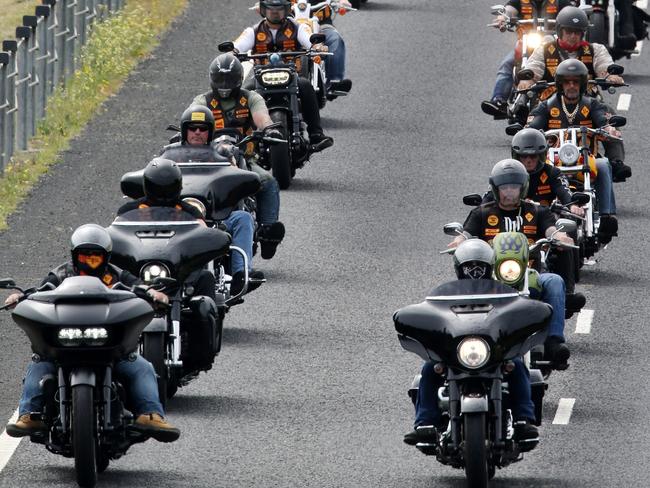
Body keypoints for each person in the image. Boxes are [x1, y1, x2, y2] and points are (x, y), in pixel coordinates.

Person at [4, 224, 180, 442]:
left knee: (141, 366)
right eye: (85, 256)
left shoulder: (117, 275)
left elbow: (139, 287)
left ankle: (151, 414)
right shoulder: (60, 274)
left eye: (95, 257)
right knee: (40, 362)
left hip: (110, 345)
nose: (90, 261)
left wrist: (153, 294)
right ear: (74, 255)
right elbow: (41, 291)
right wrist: (20, 296)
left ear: (106, 257)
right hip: (65, 344)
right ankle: (29, 414)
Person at [404, 239, 540, 447]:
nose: (474, 271)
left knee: (518, 366)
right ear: (459, 268)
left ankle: (524, 421)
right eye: (469, 266)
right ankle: (425, 423)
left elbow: (515, 315)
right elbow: (435, 316)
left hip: (492, 349)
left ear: (490, 267)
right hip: (459, 349)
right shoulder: (446, 294)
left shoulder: (504, 293)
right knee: (430, 368)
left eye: (479, 266)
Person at [449, 159, 572, 364]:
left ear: (522, 187)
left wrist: (561, 238)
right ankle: (465, 337)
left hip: (531, 273)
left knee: (555, 282)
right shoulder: (482, 213)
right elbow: (465, 234)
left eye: (514, 187)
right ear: (496, 189)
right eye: (504, 188)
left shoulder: (537, 211)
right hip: (490, 279)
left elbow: (552, 230)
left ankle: (554, 341)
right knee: (462, 287)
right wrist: (457, 242)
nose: (509, 193)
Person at [518, 6, 631, 181]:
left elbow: (604, 66)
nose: (573, 36)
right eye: (569, 32)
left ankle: (616, 162)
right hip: (550, 102)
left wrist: (611, 75)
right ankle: (523, 168)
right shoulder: (545, 48)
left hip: (587, 102)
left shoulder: (595, 49)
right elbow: (533, 68)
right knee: (528, 132)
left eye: (577, 32)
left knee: (609, 118)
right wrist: (528, 79)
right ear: (559, 31)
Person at [119, 158, 261, 297]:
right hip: (141, 262)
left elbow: (203, 232)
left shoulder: (188, 210)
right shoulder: (129, 210)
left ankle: (210, 317)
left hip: (178, 264)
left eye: (168, 187)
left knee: (206, 279)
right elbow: (117, 233)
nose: (162, 192)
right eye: (157, 187)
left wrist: (215, 237)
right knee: (116, 279)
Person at [190, 57, 286, 259]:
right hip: (207, 160)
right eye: (220, 79)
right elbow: (191, 118)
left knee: (267, 181)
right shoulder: (202, 101)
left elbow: (262, 117)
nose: (224, 85)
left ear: (239, 79)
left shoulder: (251, 98)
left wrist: (268, 128)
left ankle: (268, 233)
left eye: (229, 80)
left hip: (244, 158)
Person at [526, 59, 619, 244]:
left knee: (603, 164)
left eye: (575, 82)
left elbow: (603, 121)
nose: (571, 86)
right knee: (530, 169)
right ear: (560, 84)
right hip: (553, 160)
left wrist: (609, 130)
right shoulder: (546, 106)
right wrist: (526, 131)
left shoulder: (592, 104)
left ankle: (608, 216)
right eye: (567, 82)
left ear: (582, 84)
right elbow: (532, 127)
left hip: (586, 158)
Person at [232, 0, 333, 150]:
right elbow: (236, 46)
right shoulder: (252, 31)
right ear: (263, 10)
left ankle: (315, 135)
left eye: (279, 8)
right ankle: (239, 139)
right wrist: (232, 52)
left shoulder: (298, 28)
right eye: (271, 8)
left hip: (291, 76)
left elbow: (310, 40)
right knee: (242, 94)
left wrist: (317, 47)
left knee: (306, 85)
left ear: (286, 9)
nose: (275, 12)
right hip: (260, 77)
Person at [509, 128, 586, 314]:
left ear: (542, 156)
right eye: (524, 156)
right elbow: (490, 196)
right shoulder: (508, 173)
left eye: (534, 156)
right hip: (511, 222)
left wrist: (572, 205)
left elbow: (564, 191)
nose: (529, 160)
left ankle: (567, 291)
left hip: (545, 223)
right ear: (516, 156)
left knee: (566, 233)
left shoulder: (552, 173)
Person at [481, 0, 573, 119]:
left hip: (554, 45)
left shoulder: (559, 2)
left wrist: (576, 17)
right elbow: (509, 10)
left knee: (570, 65)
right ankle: (499, 101)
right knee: (508, 63)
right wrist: (502, 18)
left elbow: (571, 12)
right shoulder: (519, 1)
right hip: (526, 44)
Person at [290, 0, 352, 95]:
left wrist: (341, 2)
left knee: (335, 39)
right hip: (288, 25)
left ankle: (334, 82)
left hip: (322, 25)